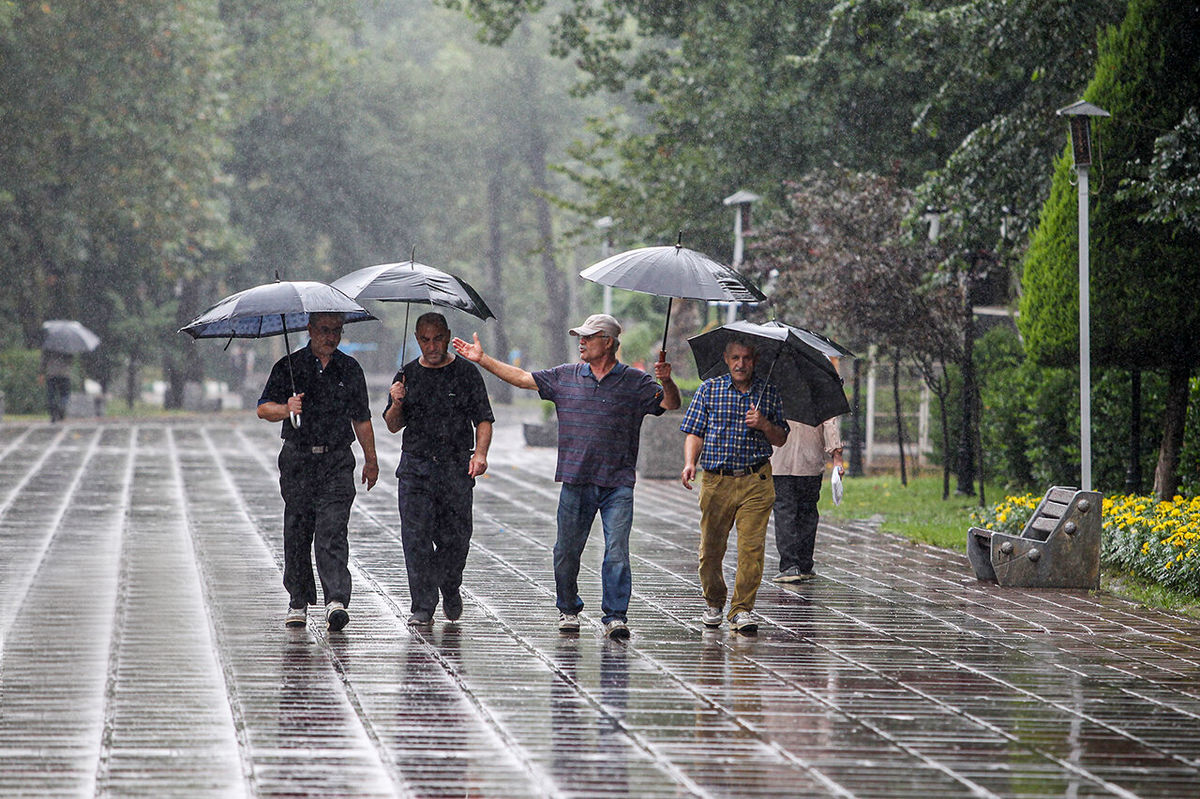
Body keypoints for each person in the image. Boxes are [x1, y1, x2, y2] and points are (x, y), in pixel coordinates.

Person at [452, 313, 680, 640]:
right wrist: (483, 359)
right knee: (566, 551)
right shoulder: (566, 376)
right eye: (580, 337)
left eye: (589, 337)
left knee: (616, 550)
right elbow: (521, 378)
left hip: (617, 484)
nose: (581, 342)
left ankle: (615, 616)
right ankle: (568, 607)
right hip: (576, 481)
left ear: (610, 343)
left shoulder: (635, 382)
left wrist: (666, 380)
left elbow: (669, 403)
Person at [257, 312, 379, 631]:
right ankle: (298, 599)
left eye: (337, 331)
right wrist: (287, 409)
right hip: (298, 460)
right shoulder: (289, 366)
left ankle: (336, 599)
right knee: (297, 529)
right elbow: (263, 409)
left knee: (332, 528)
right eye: (324, 330)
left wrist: (371, 459)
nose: (331, 337)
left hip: (337, 459)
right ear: (310, 330)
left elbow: (362, 418)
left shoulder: (350, 369)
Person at [383, 312, 494, 626]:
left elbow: (483, 419)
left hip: (455, 468)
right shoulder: (405, 375)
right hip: (416, 469)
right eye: (425, 340)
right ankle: (422, 605)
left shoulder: (466, 374)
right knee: (415, 539)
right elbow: (392, 425)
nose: (432, 346)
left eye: (438, 338)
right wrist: (396, 402)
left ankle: (450, 584)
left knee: (456, 539)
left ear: (447, 336)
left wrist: (481, 454)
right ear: (418, 339)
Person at [679, 338, 788, 633]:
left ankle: (741, 609)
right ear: (726, 359)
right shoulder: (709, 390)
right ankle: (714, 601)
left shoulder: (768, 393)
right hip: (716, 481)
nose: (741, 364)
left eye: (747, 358)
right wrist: (691, 462)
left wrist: (764, 424)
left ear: (755, 361)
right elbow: (694, 431)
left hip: (756, 480)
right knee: (710, 550)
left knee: (751, 549)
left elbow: (780, 438)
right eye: (736, 358)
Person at [770, 418, 843, 583]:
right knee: (808, 511)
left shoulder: (777, 393)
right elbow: (829, 422)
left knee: (784, 512)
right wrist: (836, 455)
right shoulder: (818, 393)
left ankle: (789, 565)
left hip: (781, 461)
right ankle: (804, 564)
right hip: (810, 460)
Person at [41, 350, 73, 422]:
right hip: (64, 374)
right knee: (65, 394)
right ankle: (61, 406)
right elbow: (70, 362)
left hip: (51, 374)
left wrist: (42, 372)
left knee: (51, 395)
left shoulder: (49, 347)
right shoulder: (67, 347)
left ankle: (53, 413)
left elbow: (43, 361)